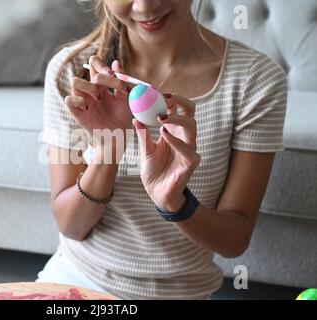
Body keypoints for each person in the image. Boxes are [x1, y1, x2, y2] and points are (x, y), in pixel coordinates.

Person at [37, 0, 287, 299]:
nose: (145, 6)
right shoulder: (71, 73)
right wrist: (109, 149)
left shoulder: (256, 80)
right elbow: (71, 226)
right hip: (75, 283)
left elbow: (234, 240)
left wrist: (175, 203)